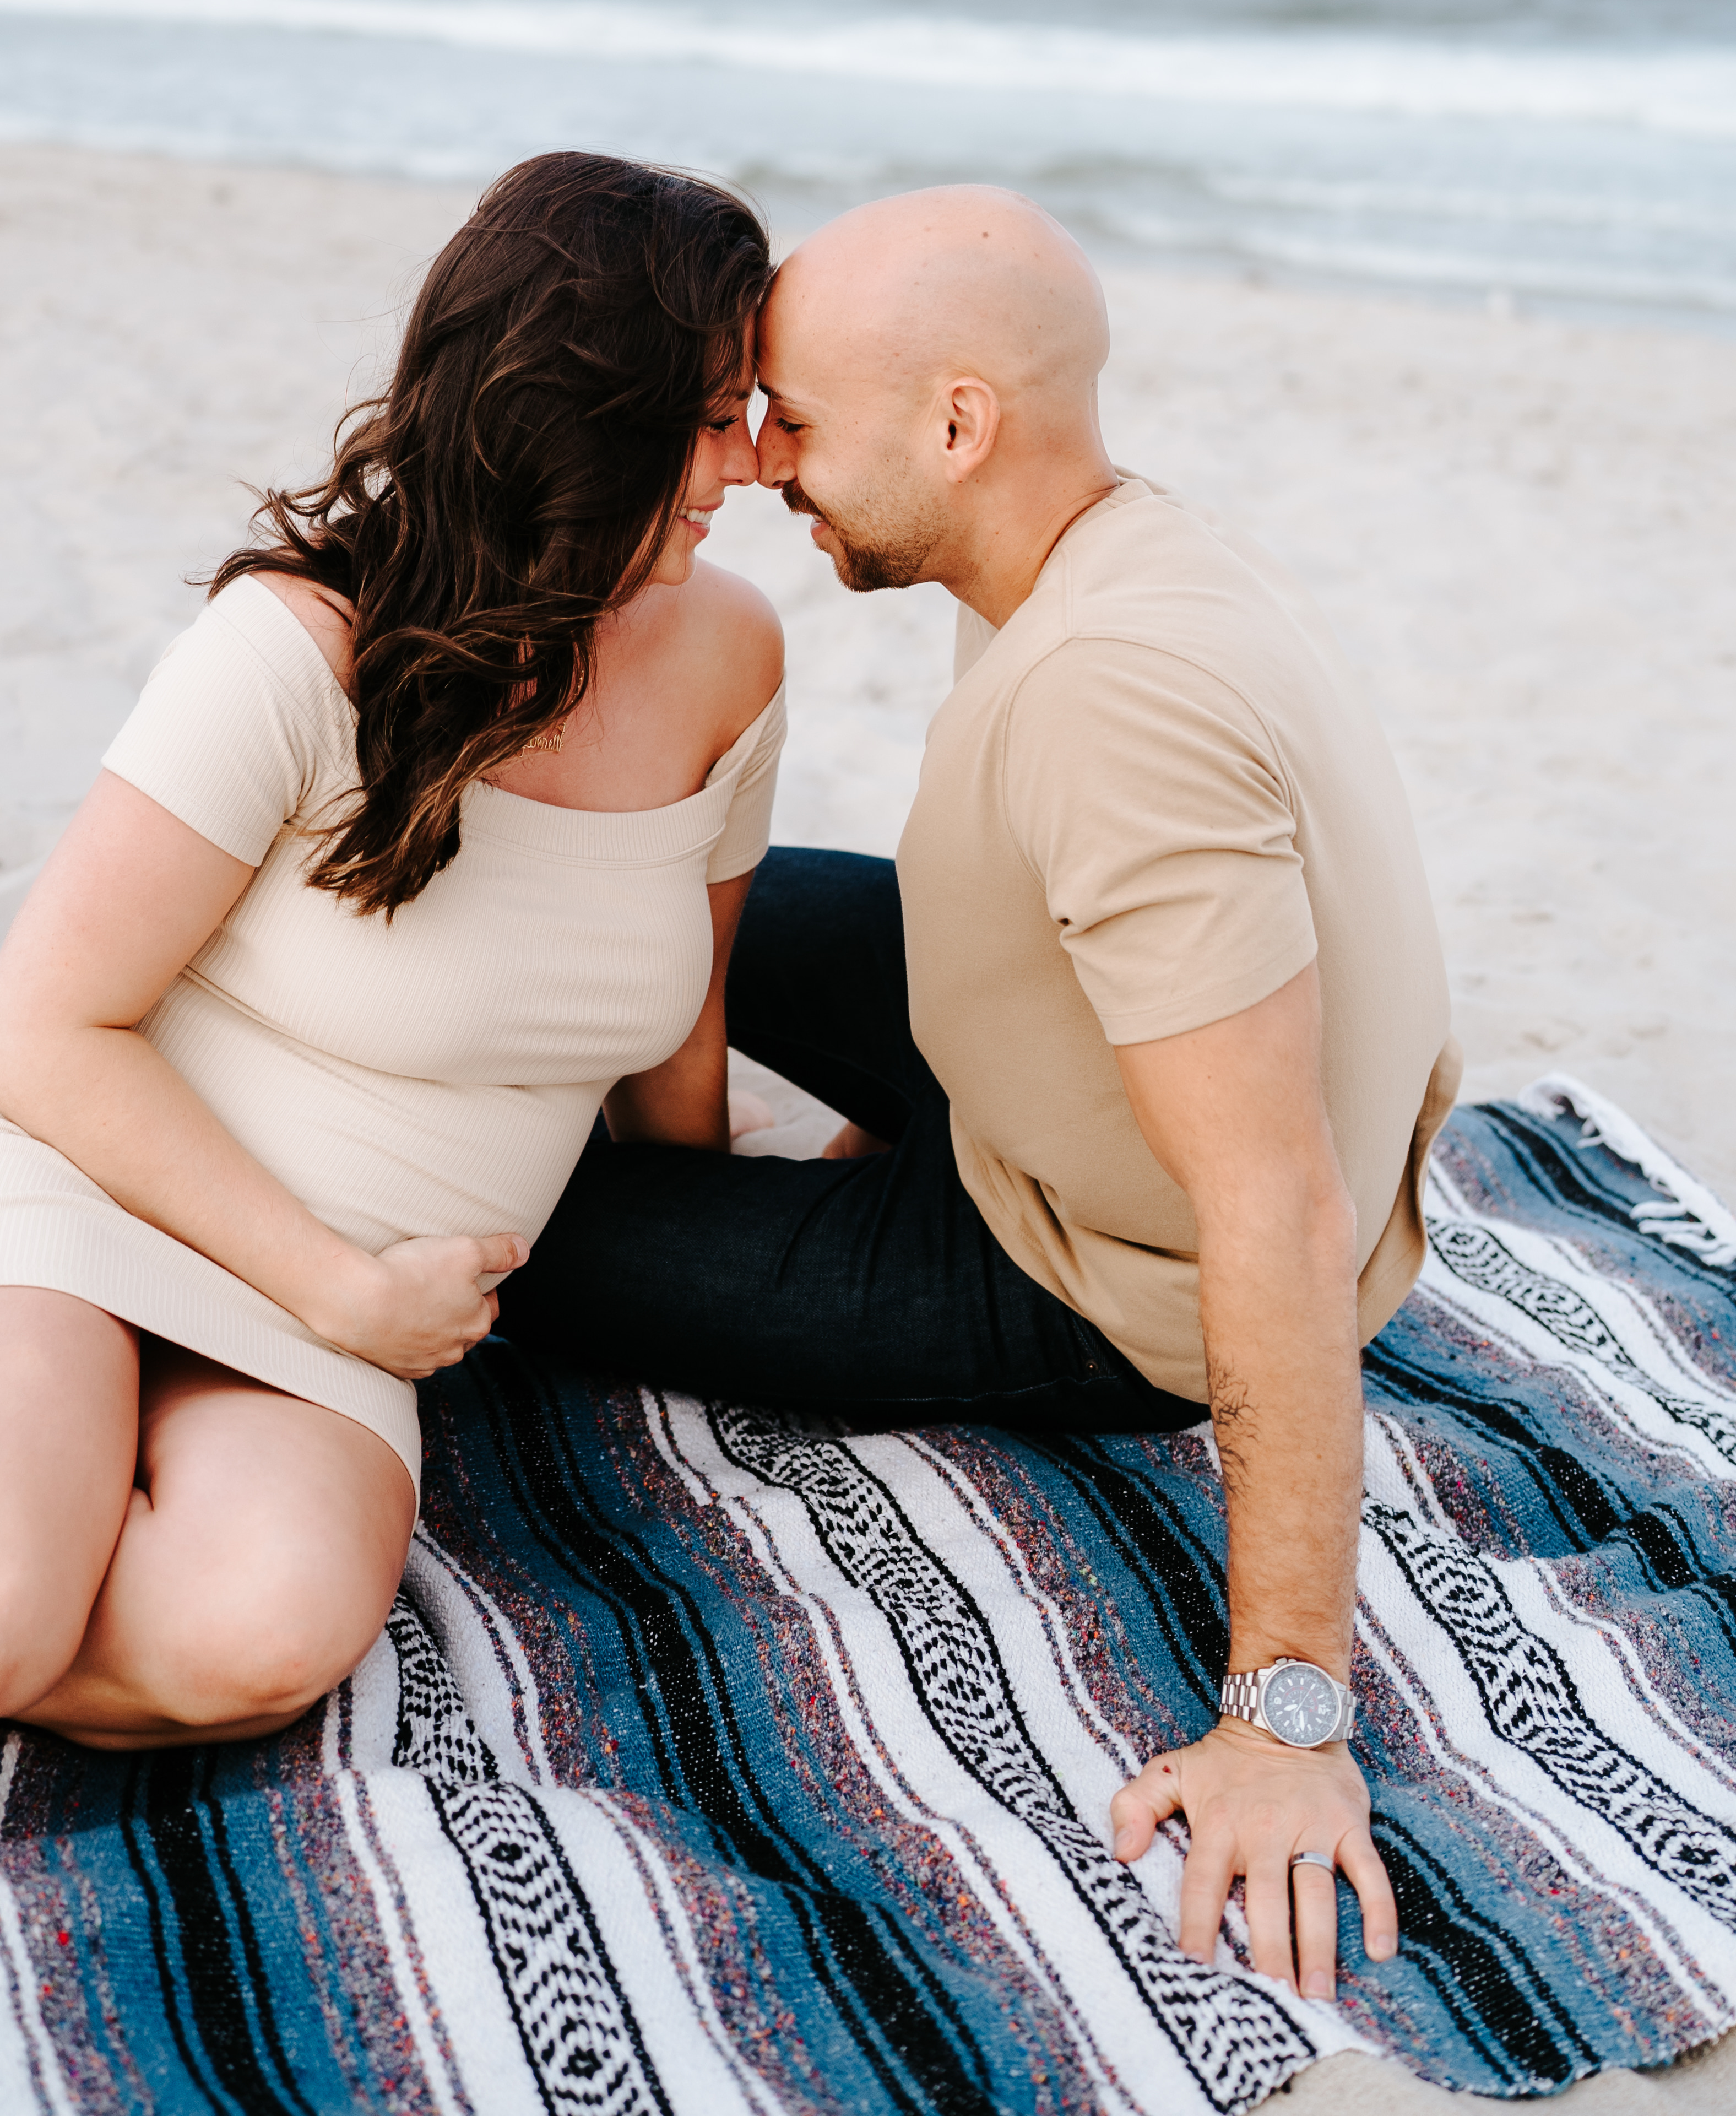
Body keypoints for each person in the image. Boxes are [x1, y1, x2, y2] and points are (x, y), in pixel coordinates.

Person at [0, 152, 783, 1748]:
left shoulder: (736, 655)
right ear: (584, 410)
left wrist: (712, 1291)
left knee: (252, 1641)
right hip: (77, 1173)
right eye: (716, 414)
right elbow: (44, 1033)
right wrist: (341, 1290)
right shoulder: (298, 645)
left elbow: (680, 1036)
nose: (745, 466)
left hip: (342, 1291)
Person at [499, 186, 1461, 2005]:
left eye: (792, 415)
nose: (764, 461)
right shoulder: (1078, 544)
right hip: (1036, 1065)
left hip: (1100, 1271)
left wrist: (1289, 1719)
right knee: (640, 882)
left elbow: (1274, 1207)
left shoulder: (1114, 694)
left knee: (516, 1238)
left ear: (957, 423)